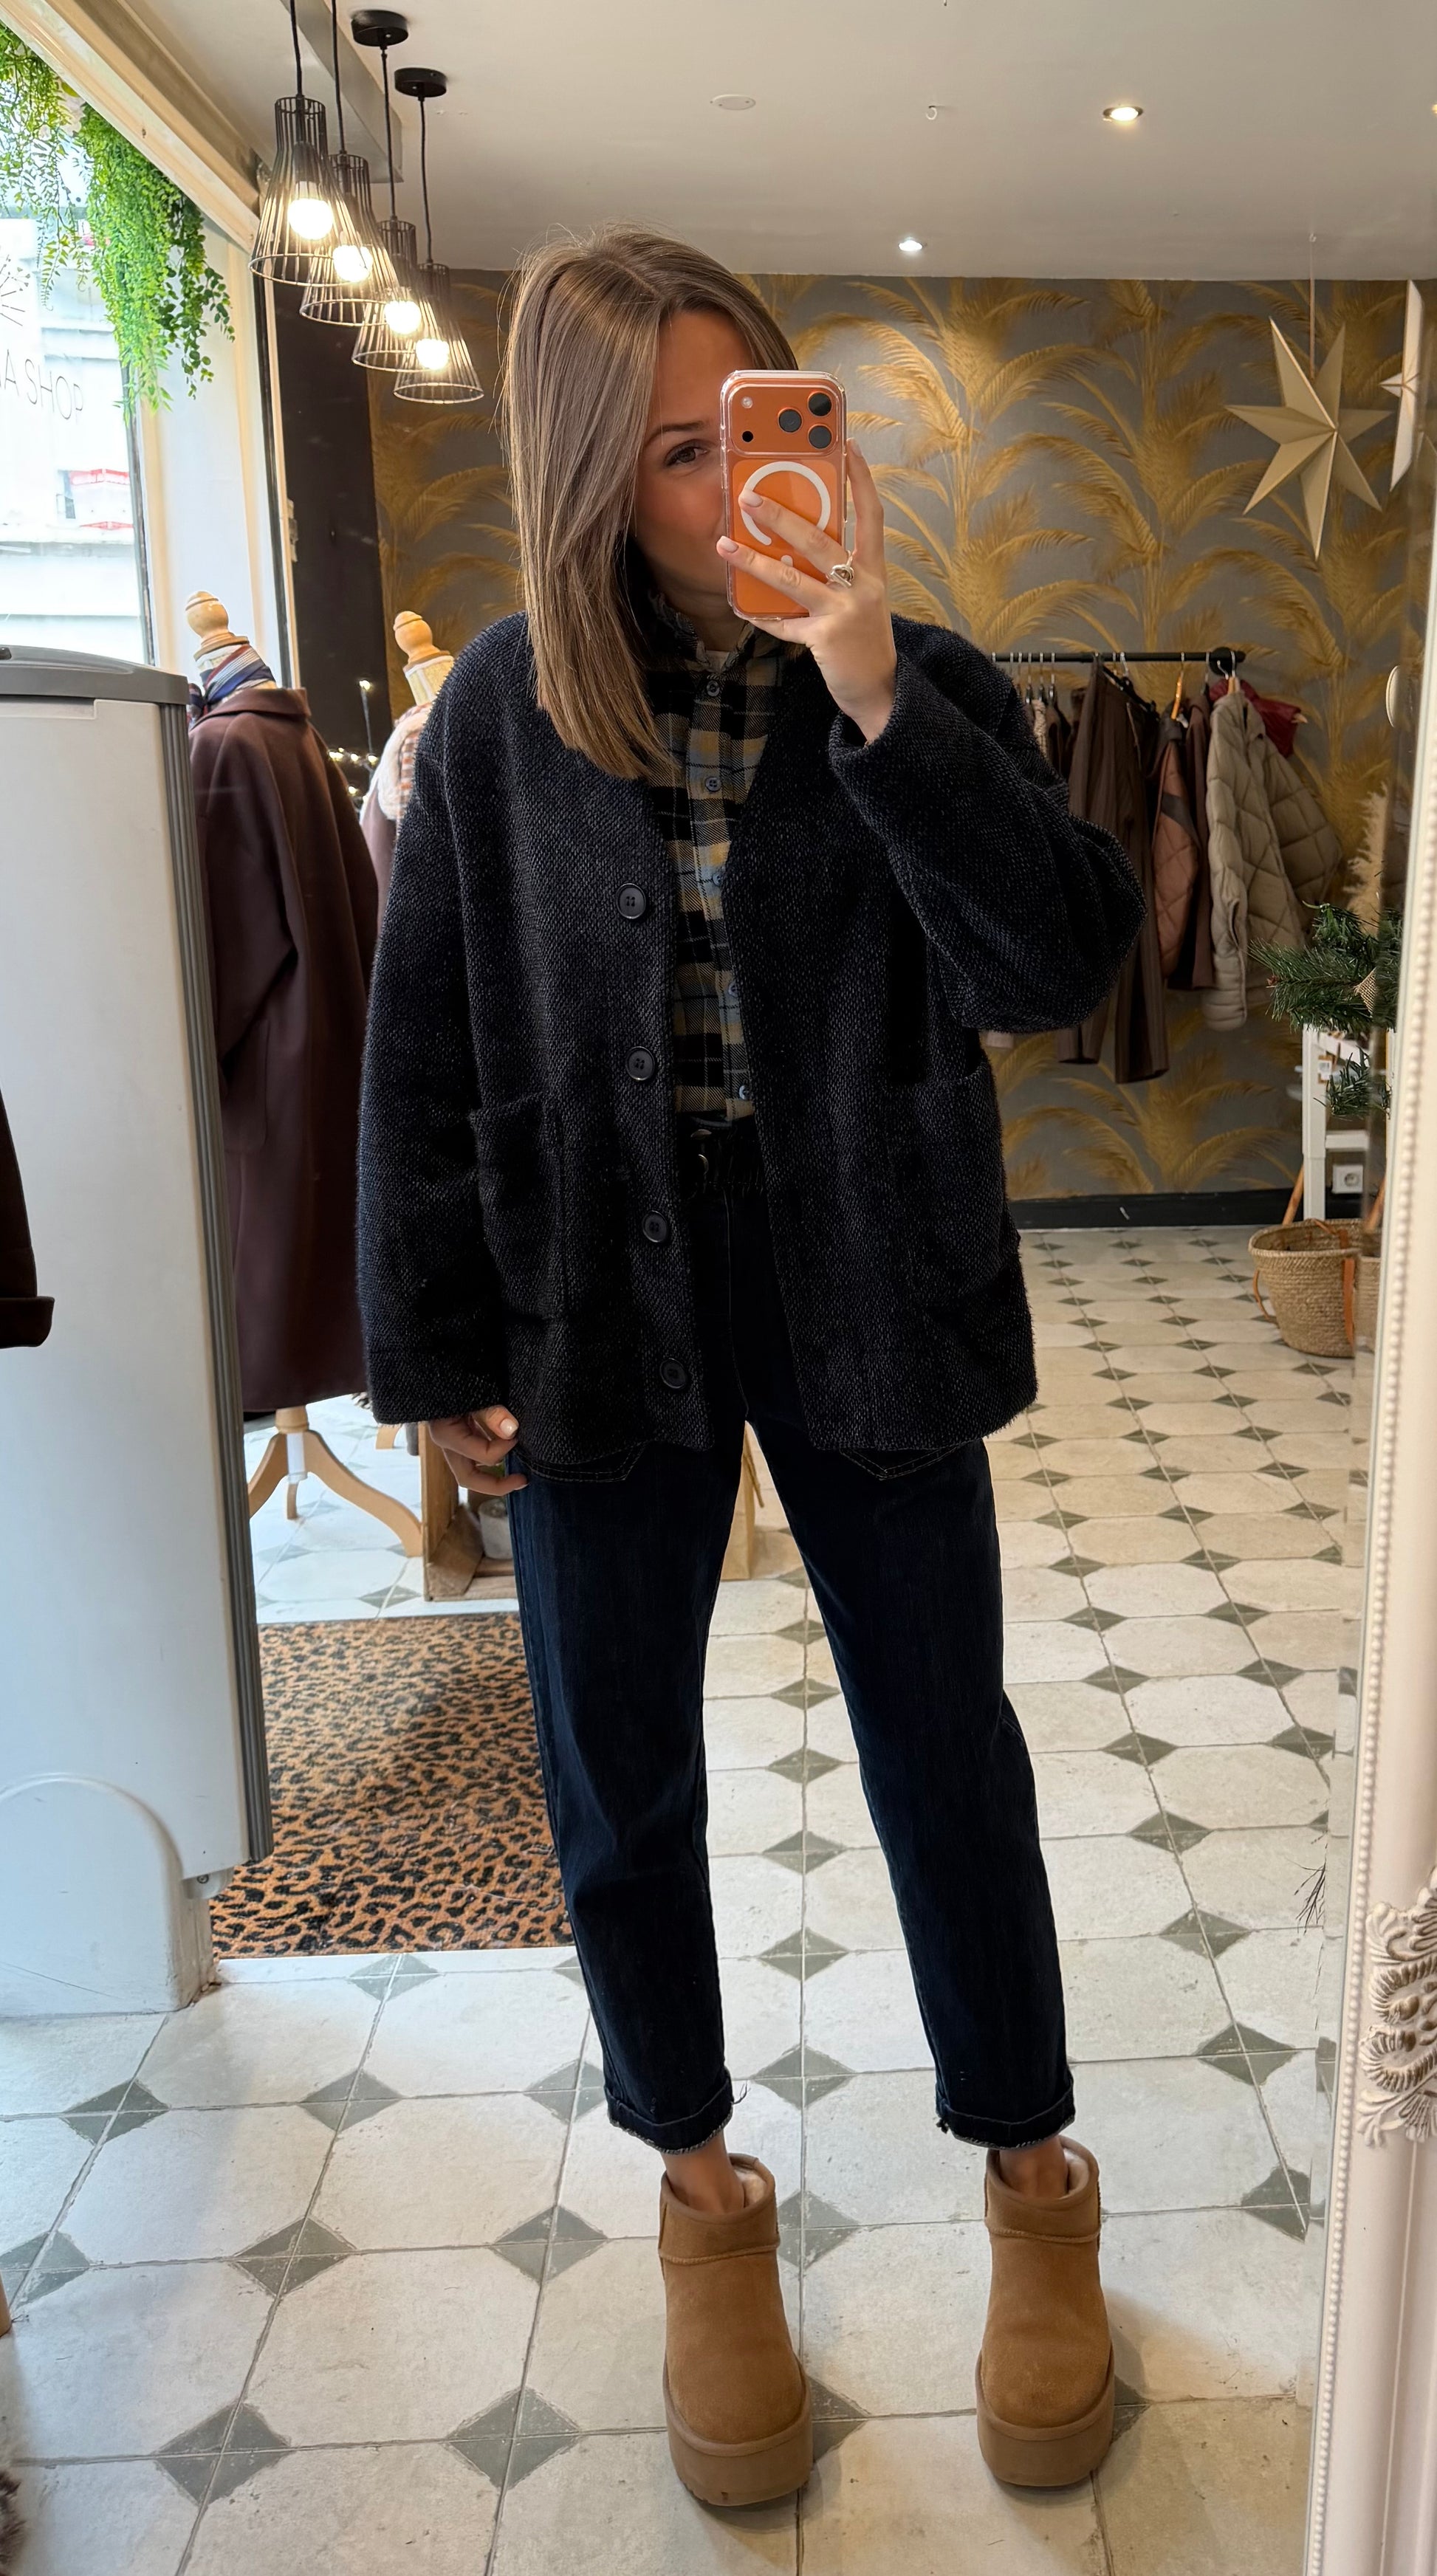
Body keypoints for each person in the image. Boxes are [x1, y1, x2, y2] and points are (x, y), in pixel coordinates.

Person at [358, 225, 1144, 2510]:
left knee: (942, 1740)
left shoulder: (918, 675)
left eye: (759, 430)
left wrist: (875, 682)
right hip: (590, 1290)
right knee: (616, 1771)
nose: (730, 489)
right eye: (676, 452)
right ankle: (702, 2196)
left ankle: (1030, 2175)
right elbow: (422, 1044)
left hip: (864, 1265)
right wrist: (435, 1341)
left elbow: (1052, 960)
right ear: (590, 474)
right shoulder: (497, 712)